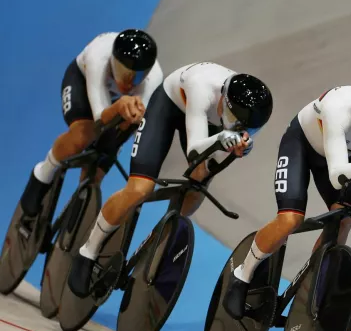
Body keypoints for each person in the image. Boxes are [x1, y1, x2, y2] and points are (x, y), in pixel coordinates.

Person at [67, 61, 274, 297]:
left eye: (245, 126)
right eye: (232, 118)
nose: (237, 126)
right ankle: (88, 252)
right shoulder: (202, 87)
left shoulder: (243, 113)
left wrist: (242, 146)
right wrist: (222, 139)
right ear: (223, 100)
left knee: (198, 183)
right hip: (170, 105)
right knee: (139, 188)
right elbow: (196, 149)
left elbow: (211, 158)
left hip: (209, 121)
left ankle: (158, 246)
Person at [223, 82, 351, 320]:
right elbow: (336, 177)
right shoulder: (338, 109)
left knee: (345, 217)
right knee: (290, 219)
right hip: (302, 144)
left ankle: (311, 289)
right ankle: (242, 276)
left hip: (340, 153)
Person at [20, 29, 163, 217]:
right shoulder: (98, 58)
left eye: (136, 77)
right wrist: (120, 105)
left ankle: (82, 199)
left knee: (102, 160)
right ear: (112, 60)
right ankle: (44, 172)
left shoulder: (154, 78)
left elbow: (132, 124)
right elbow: (100, 119)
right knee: (83, 135)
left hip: (118, 104)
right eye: (123, 72)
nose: (128, 83)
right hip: (82, 81)